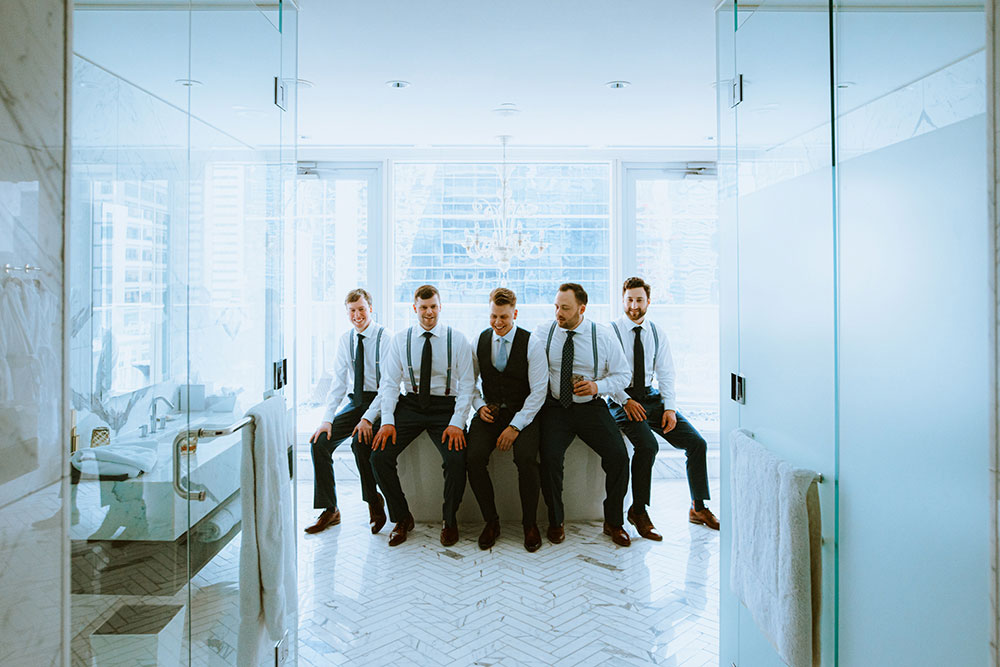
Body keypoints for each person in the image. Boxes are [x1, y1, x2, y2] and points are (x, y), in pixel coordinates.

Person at [608, 277, 719, 534]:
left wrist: (669, 408)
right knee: (647, 446)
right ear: (622, 301)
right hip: (620, 399)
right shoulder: (610, 332)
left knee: (697, 443)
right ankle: (638, 510)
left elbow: (666, 374)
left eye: (639, 300)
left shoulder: (657, 333)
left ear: (648, 301)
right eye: (629, 300)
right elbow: (605, 375)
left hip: (651, 398)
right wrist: (626, 400)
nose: (634, 305)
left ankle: (698, 507)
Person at [370, 284, 475, 547]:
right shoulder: (401, 340)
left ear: (441, 307)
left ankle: (449, 520)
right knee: (379, 456)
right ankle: (402, 518)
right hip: (411, 405)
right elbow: (390, 384)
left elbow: (467, 385)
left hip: (445, 407)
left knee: (456, 459)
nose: (429, 313)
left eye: (433, 307)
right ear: (414, 308)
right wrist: (387, 421)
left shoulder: (457, 339)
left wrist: (456, 423)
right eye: (423, 307)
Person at [535, 283, 633, 547]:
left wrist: (597, 387)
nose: (558, 313)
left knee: (619, 457)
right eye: (556, 306)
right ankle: (556, 521)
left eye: (565, 308)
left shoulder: (601, 336)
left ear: (582, 308)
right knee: (550, 459)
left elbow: (624, 374)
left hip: (590, 406)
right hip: (556, 408)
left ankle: (613, 521)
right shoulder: (544, 333)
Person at [467, 288, 548, 552]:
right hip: (490, 413)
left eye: (504, 317)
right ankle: (491, 522)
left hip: (523, 413)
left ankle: (529, 524)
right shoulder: (479, 340)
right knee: (473, 457)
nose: (498, 323)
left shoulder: (531, 343)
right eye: (493, 316)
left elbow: (539, 391)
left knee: (526, 459)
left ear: (515, 313)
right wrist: (479, 407)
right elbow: (469, 384)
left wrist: (516, 426)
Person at [305, 288, 391, 535]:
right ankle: (330, 509)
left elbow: (388, 386)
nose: (357, 315)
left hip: (381, 402)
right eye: (352, 311)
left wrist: (367, 419)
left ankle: (373, 501)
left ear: (371, 309)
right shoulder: (347, 340)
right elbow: (339, 384)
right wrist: (327, 420)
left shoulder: (386, 337)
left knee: (360, 442)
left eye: (361, 309)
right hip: (357, 401)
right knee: (320, 442)